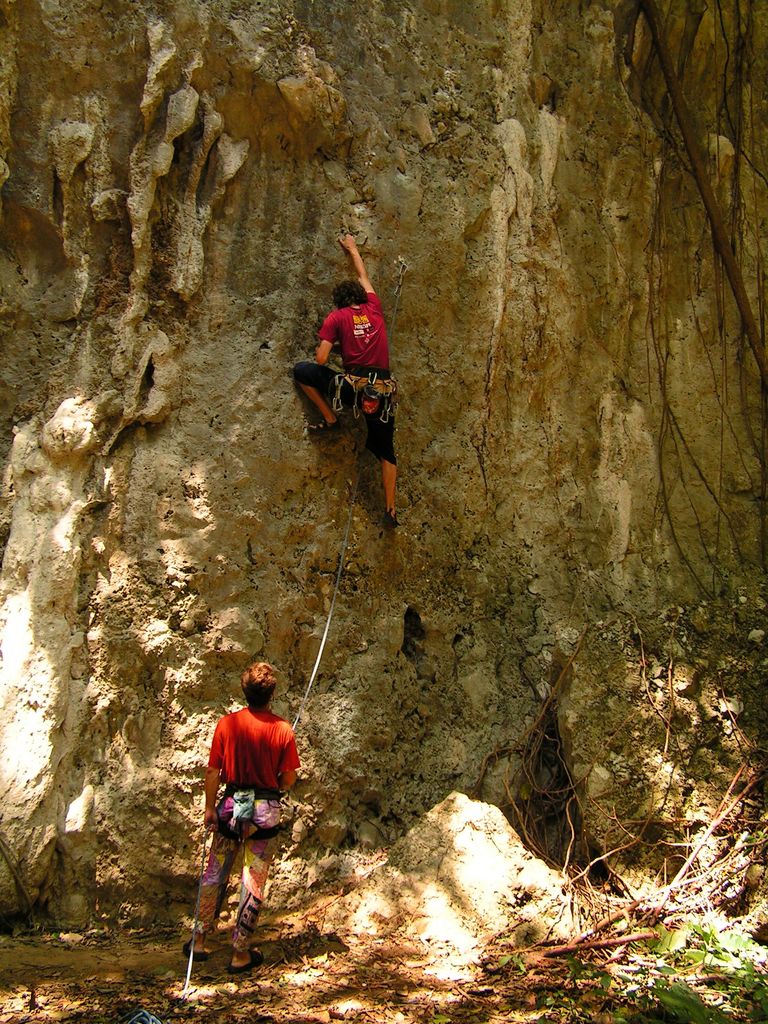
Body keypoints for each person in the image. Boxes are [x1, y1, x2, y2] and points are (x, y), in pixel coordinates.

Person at [183, 661, 300, 974]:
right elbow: (287, 780)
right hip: (265, 812)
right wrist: (273, 779)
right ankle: (239, 952)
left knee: (214, 872)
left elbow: (213, 771)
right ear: (271, 693)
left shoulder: (227, 724)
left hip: (231, 806)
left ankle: (199, 939)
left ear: (245, 691)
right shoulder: (283, 729)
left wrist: (210, 808)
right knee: (254, 878)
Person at [293, 234, 399, 528]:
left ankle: (329, 418)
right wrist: (352, 248)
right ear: (361, 298)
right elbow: (363, 275)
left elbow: (322, 360)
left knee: (302, 371)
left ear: (339, 302)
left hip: (353, 391)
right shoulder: (374, 307)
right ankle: (390, 510)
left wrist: (335, 343)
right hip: (381, 394)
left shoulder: (336, 318)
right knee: (386, 450)